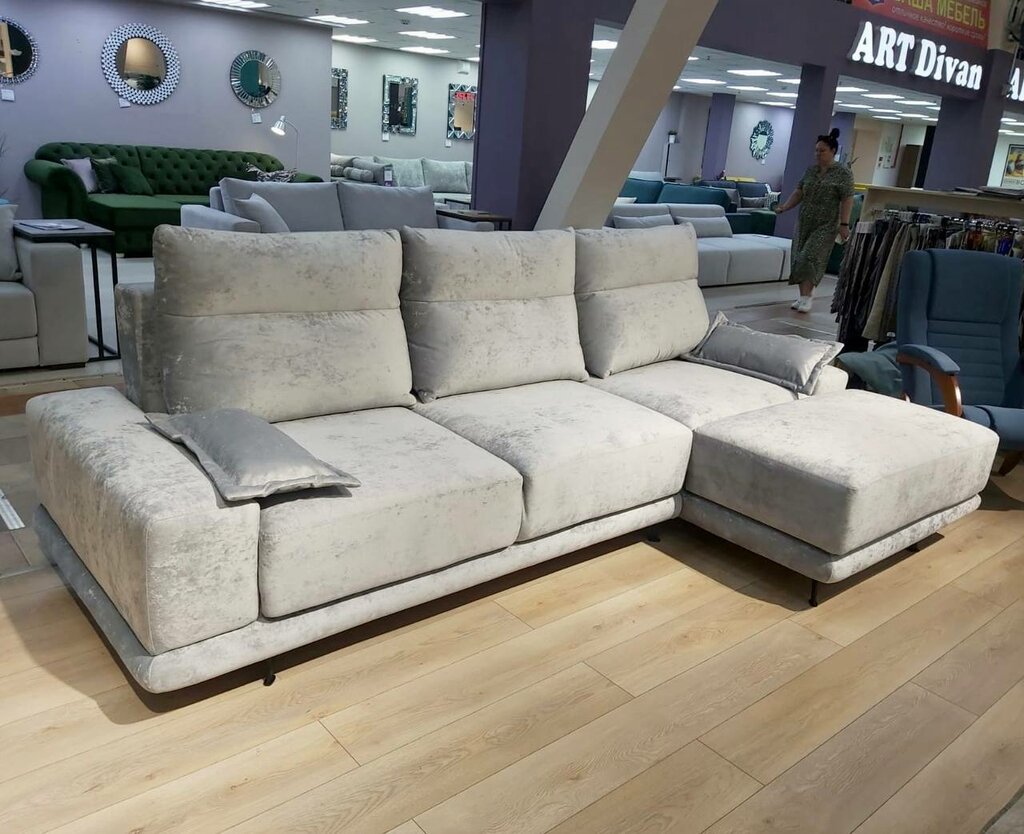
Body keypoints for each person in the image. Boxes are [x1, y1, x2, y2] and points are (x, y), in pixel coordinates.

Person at [774, 128, 855, 312]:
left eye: (822, 150)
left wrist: (844, 224)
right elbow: (799, 192)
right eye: (816, 150)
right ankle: (804, 296)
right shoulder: (811, 171)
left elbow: (847, 199)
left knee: (810, 257)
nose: (818, 154)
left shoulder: (843, 173)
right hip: (805, 221)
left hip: (826, 224)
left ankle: (807, 297)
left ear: (833, 151)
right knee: (798, 257)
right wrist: (785, 207)